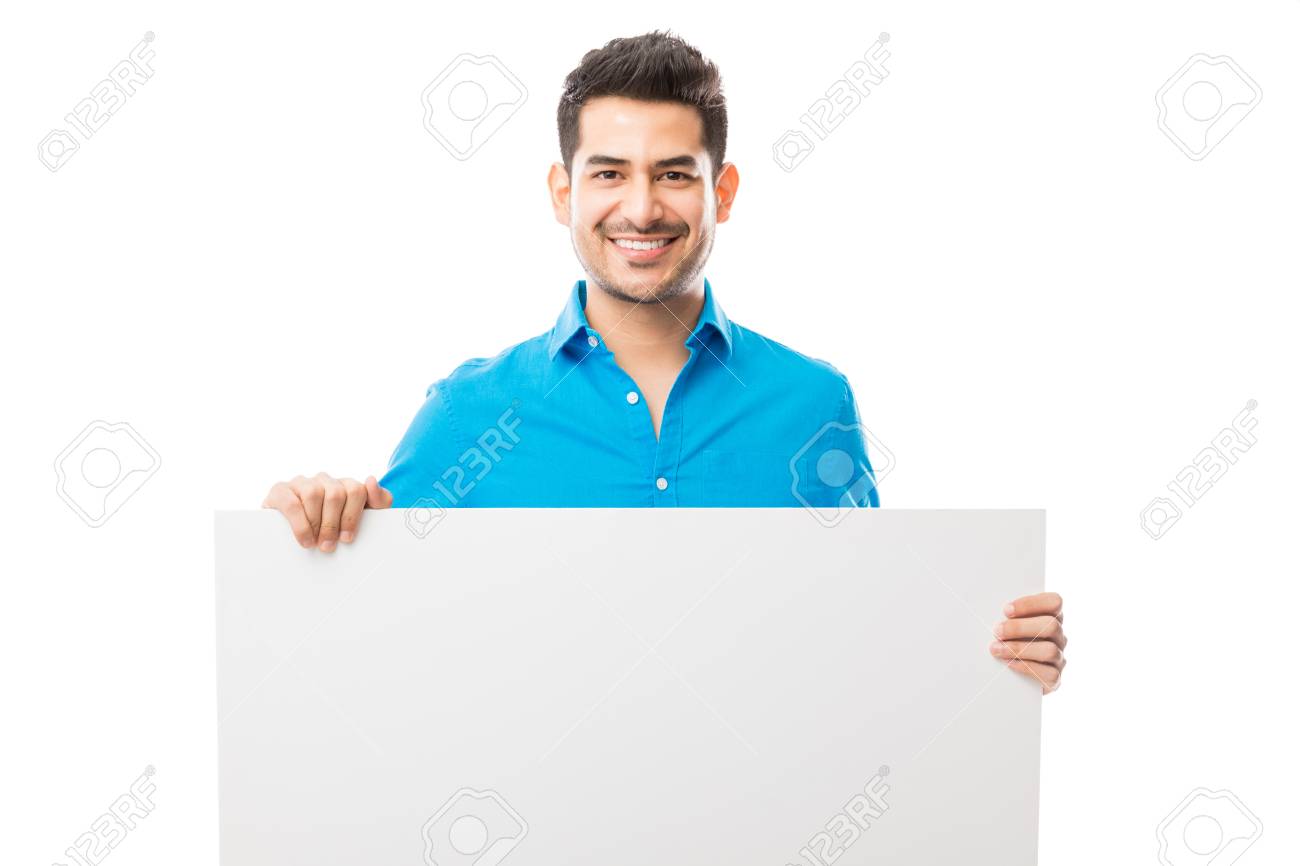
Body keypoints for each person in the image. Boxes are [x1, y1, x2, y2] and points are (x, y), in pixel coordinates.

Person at [262, 30, 1067, 693]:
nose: (641, 208)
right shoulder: (471, 412)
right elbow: (368, 646)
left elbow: (870, 647)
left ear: (724, 192)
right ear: (562, 193)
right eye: (609, 173)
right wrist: (291, 540)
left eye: (674, 174)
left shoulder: (813, 403)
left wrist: (997, 651)